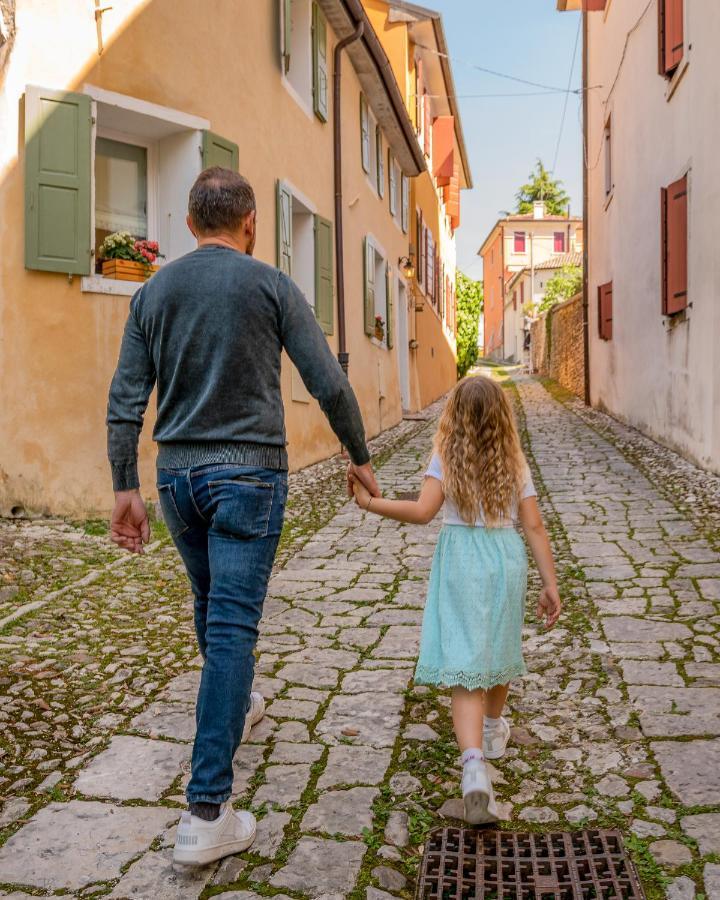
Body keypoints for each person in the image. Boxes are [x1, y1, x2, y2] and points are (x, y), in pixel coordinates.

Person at [106, 167, 379, 865]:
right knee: (231, 624)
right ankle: (206, 811)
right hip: (250, 474)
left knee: (210, 604)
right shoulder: (271, 285)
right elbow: (328, 380)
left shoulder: (152, 291)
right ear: (249, 222)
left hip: (175, 480)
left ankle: (240, 703)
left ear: (192, 223)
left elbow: (126, 398)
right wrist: (358, 453)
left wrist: (123, 487)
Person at [351, 376, 560, 824]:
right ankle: (491, 729)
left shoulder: (446, 455)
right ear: (503, 418)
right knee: (500, 649)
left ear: (454, 416)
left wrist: (371, 504)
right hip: (504, 557)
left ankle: (472, 769)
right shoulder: (514, 461)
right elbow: (536, 526)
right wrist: (550, 584)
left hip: (462, 561)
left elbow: (423, 511)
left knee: (467, 664)